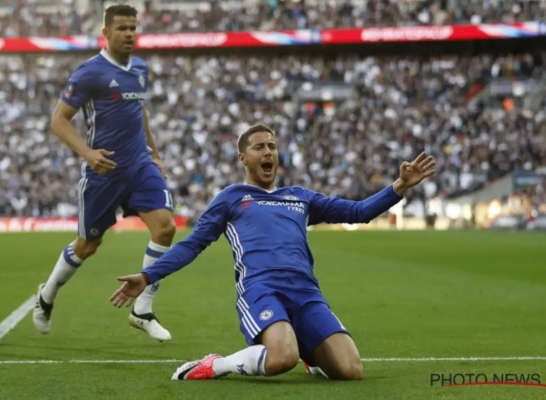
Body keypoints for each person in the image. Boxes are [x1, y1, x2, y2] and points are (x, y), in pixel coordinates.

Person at [109, 123, 436, 380]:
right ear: (243, 158)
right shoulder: (231, 198)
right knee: (281, 357)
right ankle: (215, 365)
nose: (268, 152)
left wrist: (399, 186)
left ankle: (311, 354)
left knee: (351, 370)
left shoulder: (300, 197)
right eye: (259, 147)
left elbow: (358, 212)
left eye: (272, 146)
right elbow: (192, 244)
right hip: (262, 289)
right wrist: (148, 275)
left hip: (306, 292)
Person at [33, 4, 176, 342]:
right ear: (106, 33)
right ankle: (47, 295)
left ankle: (142, 309)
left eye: (133, 28)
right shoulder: (90, 73)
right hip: (104, 172)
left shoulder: (140, 68)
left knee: (166, 228)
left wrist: (155, 154)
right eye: (122, 28)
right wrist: (87, 154)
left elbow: (139, 111)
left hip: (140, 165)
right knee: (87, 246)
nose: (129, 34)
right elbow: (58, 120)